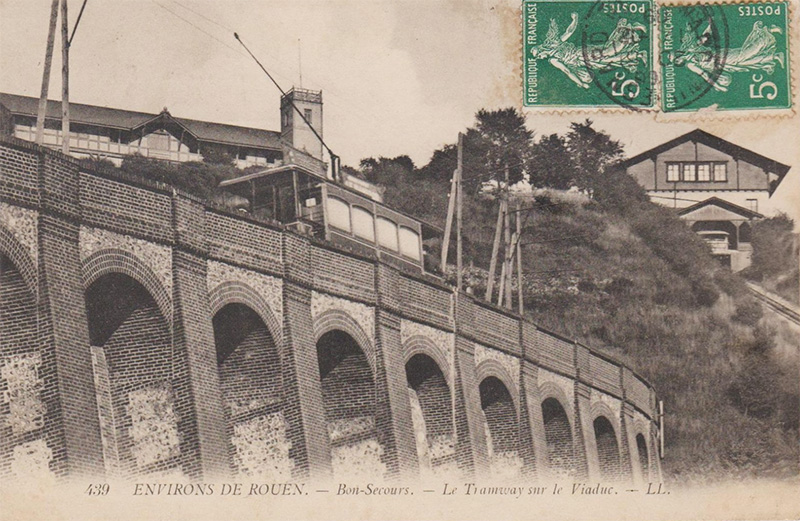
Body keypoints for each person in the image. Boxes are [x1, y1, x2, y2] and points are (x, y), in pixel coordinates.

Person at [530, 13, 648, 89]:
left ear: (541, 50)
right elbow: (568, 71)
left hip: (582, 53)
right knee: (609, 60)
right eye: (538, 57)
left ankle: (629, 28)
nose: (540, 58)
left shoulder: (555, 45)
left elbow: (569, 32)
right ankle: (637, 54)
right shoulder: (553, 60)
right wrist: (581, 83)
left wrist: (575, 19)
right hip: (583, 62)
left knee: (609, 51)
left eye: (538, 55)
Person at [672, 20, 785, 92]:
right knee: (745, 62)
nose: (678, 54)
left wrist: (709, 25)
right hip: (720, 64)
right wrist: (717, 86)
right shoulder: (691, 65)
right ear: (678, 62)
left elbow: (703, 37)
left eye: (676, 53)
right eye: (676, 58)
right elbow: (705, 75)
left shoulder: (690, 48)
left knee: (745, 54)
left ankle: (766, 31)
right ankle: (774, 56)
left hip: (720, 55)